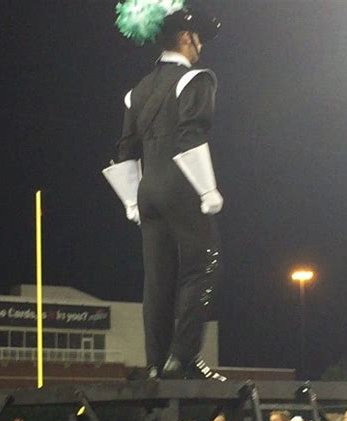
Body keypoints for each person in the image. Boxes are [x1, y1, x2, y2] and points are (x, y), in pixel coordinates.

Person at [103, 0, 225, 380]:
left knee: (157, 280)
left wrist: (129, 201)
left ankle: (156, 363)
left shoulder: (135, 92)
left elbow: (124, 149)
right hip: (180, 184)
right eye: (198, 38)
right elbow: (191, 135)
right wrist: (208, 189)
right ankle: (184, 357)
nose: (201, 45)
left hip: (146, 190)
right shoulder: (197, 78)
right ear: (186, 37)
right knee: (202, 264)